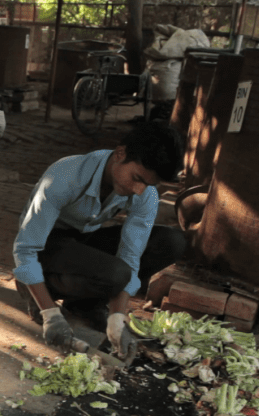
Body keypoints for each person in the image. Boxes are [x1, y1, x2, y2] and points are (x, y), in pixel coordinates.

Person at [12, 121, 186, 359]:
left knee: (171, 241)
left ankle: (84, 303)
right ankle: (34, 289)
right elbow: (25, 250)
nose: (139, 190)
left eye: (148, 184)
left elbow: (131, 256)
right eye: (137, 178)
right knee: (117, 273)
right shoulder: (65, 175)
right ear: (120, 153)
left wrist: (117, 319)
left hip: (82, 240)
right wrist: (50, 315)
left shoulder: (145, 193)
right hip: (48, 245)